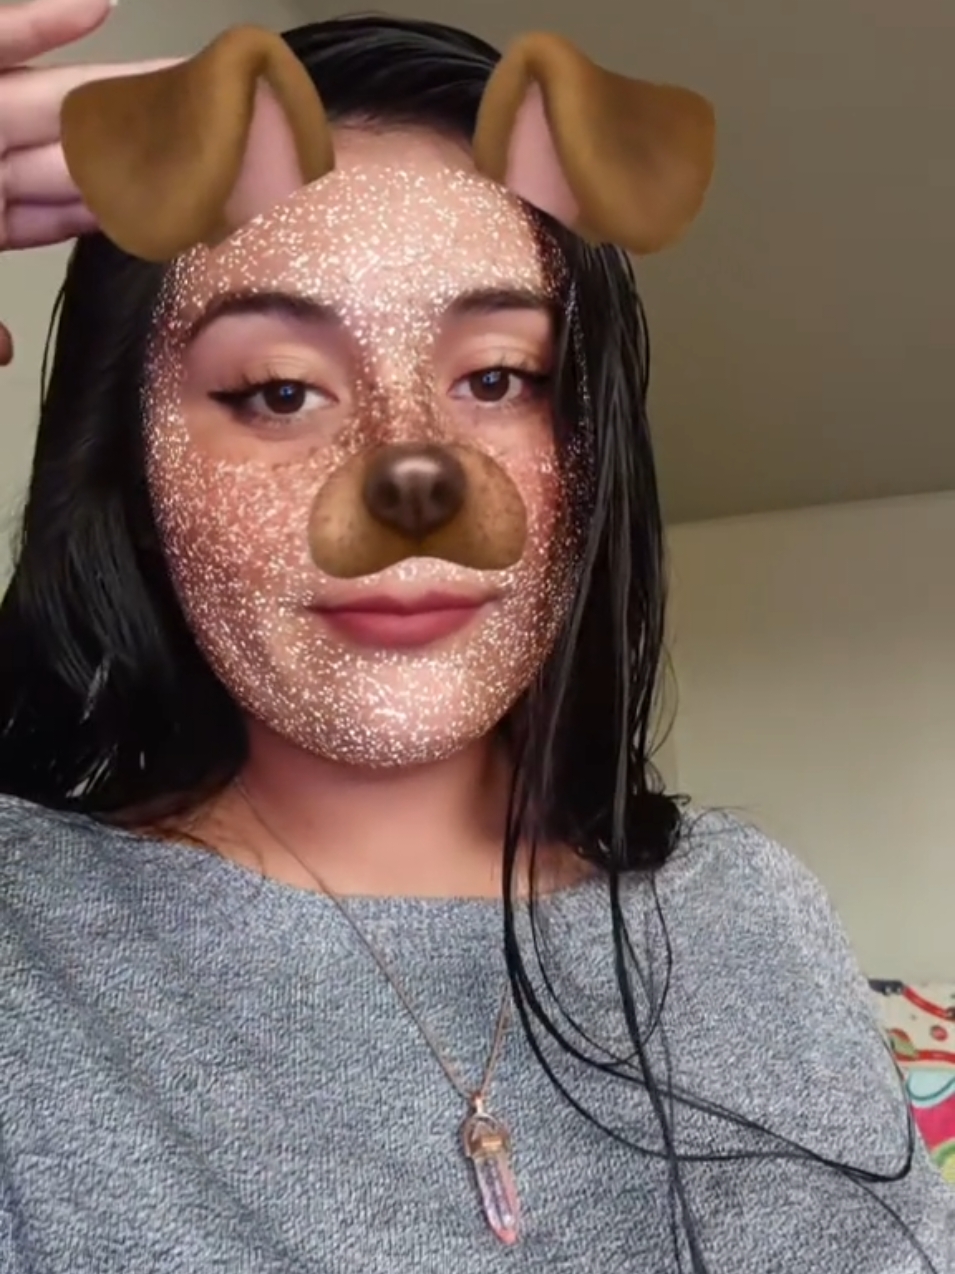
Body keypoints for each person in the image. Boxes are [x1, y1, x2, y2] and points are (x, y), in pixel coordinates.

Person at [0, 1, 951, 1271]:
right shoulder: (25, 933)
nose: (411, 474)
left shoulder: (746, 909)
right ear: (132, 458)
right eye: (278, 390)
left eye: (496, 377)